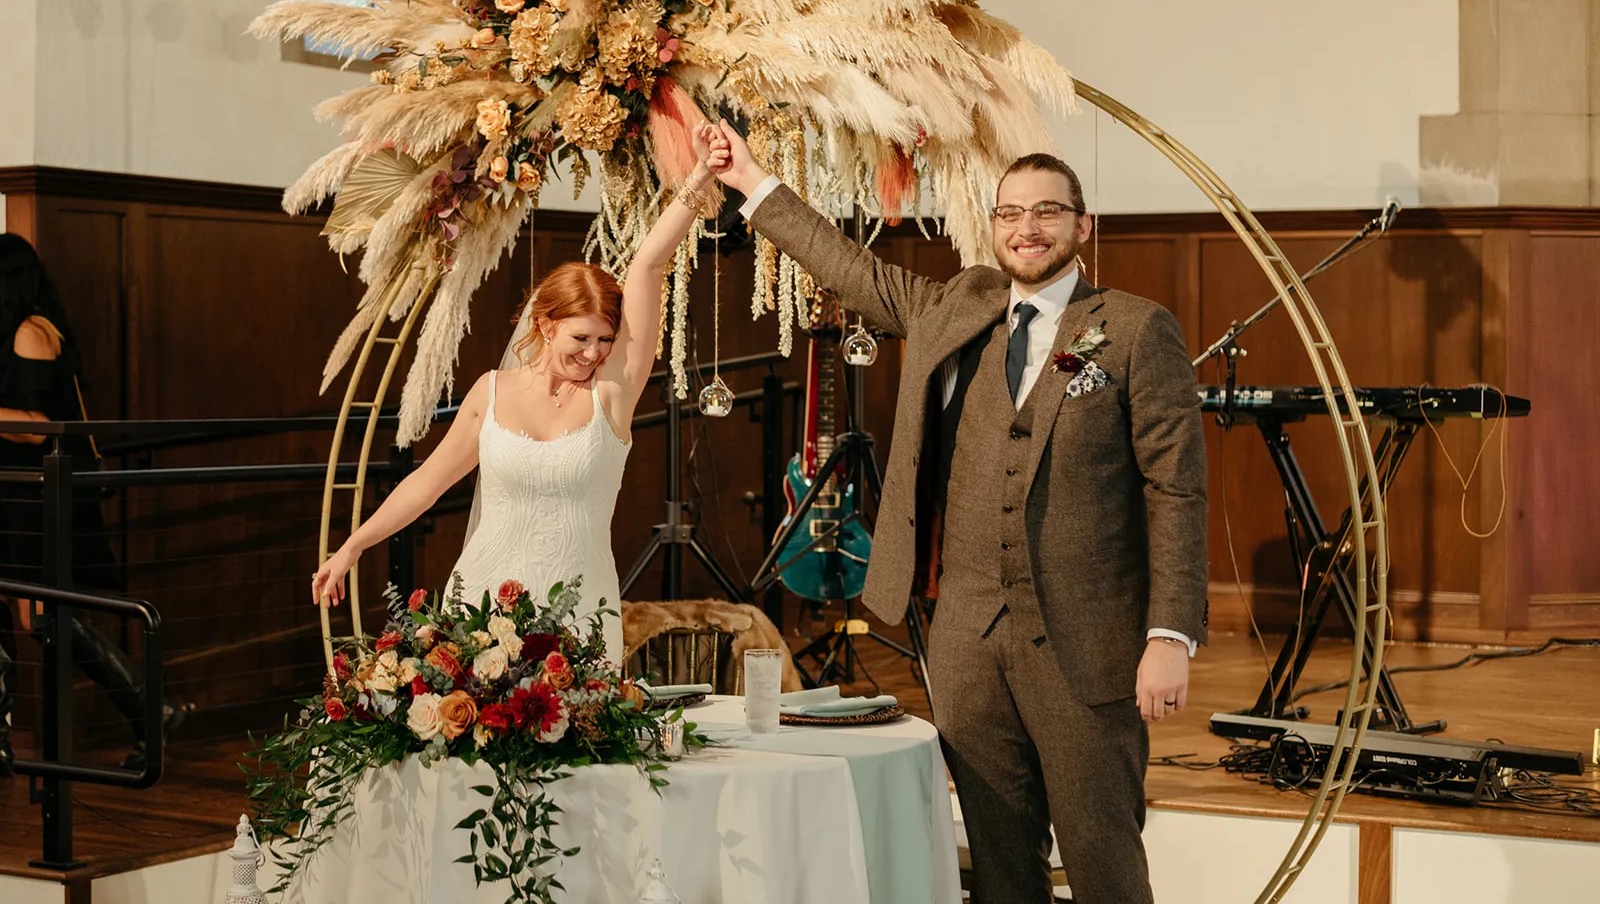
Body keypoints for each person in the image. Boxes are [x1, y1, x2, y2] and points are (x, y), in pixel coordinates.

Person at [702, 121, 1208, 903]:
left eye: (1046, 211)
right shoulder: (955, 305)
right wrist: (751, 179)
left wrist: (1169, 635)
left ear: (1083, 225)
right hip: (967, 636)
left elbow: (1176, 490)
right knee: (1001, 863)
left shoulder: (1138, 330)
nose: (1027, 228)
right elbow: (846, 264)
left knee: (1104, 860)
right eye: (1010, 213)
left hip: (1086, 641)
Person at [311, 139, 731, 662]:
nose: (593, 353)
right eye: (581, 339)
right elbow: (425, 484)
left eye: (604, 340)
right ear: (544, 324)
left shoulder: (613, 392)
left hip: (581, 617)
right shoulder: (491, 391)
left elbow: (647, 265)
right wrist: (352, 547)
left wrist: (700, 178)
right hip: (482, 608)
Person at [0, 233, 183, 773]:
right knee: (24, 613)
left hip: (35, 495)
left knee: (42, 616)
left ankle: (153, 708)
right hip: (13, 492)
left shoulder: (32, 334)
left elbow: (38, 430)